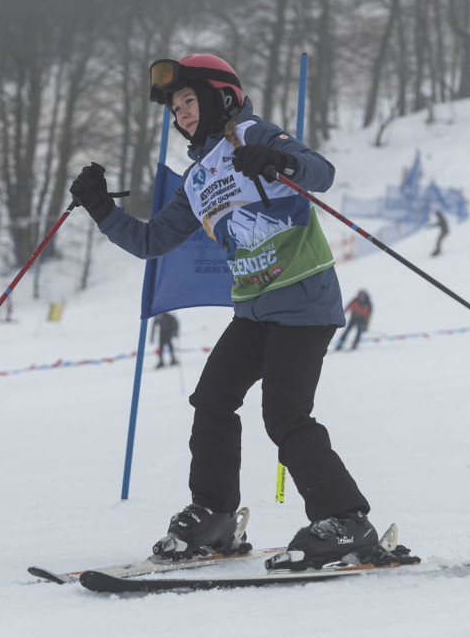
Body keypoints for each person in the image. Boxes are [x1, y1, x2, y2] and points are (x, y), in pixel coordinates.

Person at [69, 54, 378, 569]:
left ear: (221, 97)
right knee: (211, 400)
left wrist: (279, 161)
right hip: (254, 313)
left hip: (303, 300)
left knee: (284, 413)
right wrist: (102, 210)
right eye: (174, 108)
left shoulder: (255, 132)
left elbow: (320, 173)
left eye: (188, 101)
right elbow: (150, 241)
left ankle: (347, 519)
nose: (181, 114)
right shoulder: (196, 179)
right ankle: (214, 514)